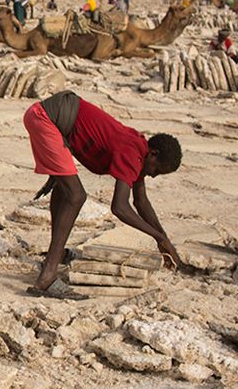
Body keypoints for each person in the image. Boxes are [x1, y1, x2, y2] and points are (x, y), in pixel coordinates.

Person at [22, 90, 183, 298]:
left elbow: (141, 201)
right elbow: (120, 207)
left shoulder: (139, 150)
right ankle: (47, 277)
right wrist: (157, 236)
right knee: (76, 196)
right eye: (157, 170)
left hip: (47, 117)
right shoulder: (133, 153)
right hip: (45, 118)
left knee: (66, 189)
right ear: (153, 154)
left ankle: (57, 256)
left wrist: (164, 240)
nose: (153, 176)